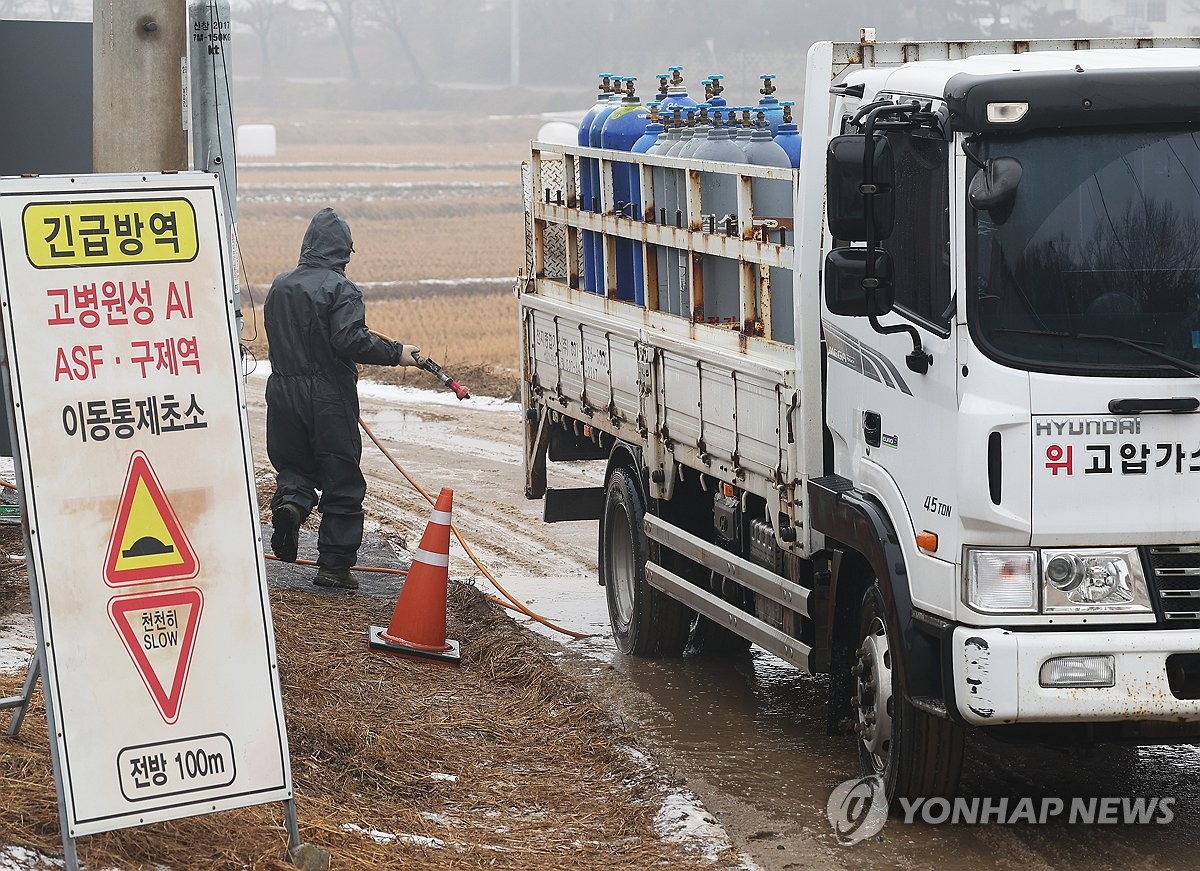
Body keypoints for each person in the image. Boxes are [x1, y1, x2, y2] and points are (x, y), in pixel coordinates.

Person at [264, 207, 420, 590]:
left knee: (295, 467)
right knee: (341, 480)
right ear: (341, 251)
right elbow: (349, 340)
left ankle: (292, 506)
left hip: (282, 392)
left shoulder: (280, 286)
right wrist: (397, 353)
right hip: (327, 398)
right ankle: (333, 567)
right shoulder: (340, 289)